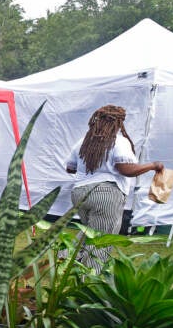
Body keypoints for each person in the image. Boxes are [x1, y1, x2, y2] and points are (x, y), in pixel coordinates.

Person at [66, 105, 164, 268]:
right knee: (101, 241)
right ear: (118, 123)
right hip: (105, 194)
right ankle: (88, 280)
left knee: (89, 232)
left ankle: (64, 261)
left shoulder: (83, 141)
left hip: (80, 192)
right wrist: (153, 165)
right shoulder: (118, 141)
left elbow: (70, 167)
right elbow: (126, 169)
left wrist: (93, 164)